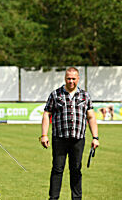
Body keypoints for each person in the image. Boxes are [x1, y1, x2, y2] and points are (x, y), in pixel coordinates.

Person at [40, 67, 99, 200]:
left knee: (76, 170)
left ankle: (76, 198)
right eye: (68, 78)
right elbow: (46, 114)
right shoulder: (56, 94)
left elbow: (91, 117)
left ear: (78, 79)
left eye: (73, 78)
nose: (71, 81)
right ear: (65, 78)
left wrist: (95, 137)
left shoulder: (85, 95)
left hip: (78, 139)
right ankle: (53, 198)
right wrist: (44, 135)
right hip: (59, 138)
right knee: (57, 170)